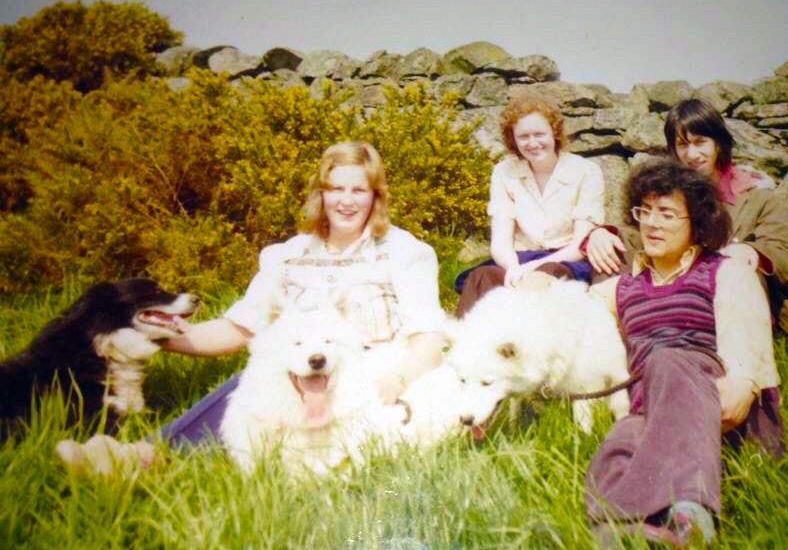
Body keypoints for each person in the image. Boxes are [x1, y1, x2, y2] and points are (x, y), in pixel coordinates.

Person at [58, 141, 448, 468]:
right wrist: (160, 334)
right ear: (321, 194)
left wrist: (394, 381)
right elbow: (239, 327)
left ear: (375, 196)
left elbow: (429, 340)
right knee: (257, 377)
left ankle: (142, 458)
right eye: (336, 189)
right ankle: (139, 457)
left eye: (359, 190)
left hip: (370, 372)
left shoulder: (404, 251)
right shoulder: (288, 255)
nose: (347, 201)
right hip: (300, 371)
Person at [585, 160, 783, 548]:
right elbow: (575, 320)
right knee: (621, 438)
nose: (652, 224)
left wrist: (743, 381)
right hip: (651, 405)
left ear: (697, 222)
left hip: (717, 396)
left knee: (667, 358)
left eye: (668, 214)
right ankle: (620, 529)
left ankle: (692, 514)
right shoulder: (620, 289)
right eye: (645, 211)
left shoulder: (722, 271)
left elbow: (746, 335)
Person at [585, 98, 788, 340]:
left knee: (739, 269)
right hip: (674, 293)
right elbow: (639, 231)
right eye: (682, 145)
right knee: (611, 250)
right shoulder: (668, 192)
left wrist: (753, 253)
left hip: (731, 302)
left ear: (718, 143)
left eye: (700, 143)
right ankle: (610, 340)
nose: (692, 154)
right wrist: (603, 234)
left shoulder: (758, 197)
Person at [454, 92, 605, 317]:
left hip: (564, 260)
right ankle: (460, 345)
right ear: (512, 139)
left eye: (539, 134)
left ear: (554, 133)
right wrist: (514, 268)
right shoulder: (504, 172)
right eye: (523, 136)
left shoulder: (586, 171)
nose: (532, 143)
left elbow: (579, 245)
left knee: (544, 275)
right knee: (481, 277)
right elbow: (500, 241)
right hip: (518, 258)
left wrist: (531, 269)